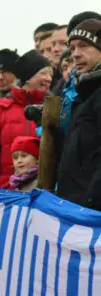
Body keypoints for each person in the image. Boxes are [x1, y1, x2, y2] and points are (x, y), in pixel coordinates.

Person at [0, 50, 51, 188]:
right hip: (8, 196)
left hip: (44, 196)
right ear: (28, 77)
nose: (49, 79)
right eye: (43, 73)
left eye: (50, 74)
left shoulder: (55, 108)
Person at [56, 19, 101, 210]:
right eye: (72, 47)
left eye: (83, 46)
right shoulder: (84, 95)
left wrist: (90, 205)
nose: (75, 54)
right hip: (75, 210)